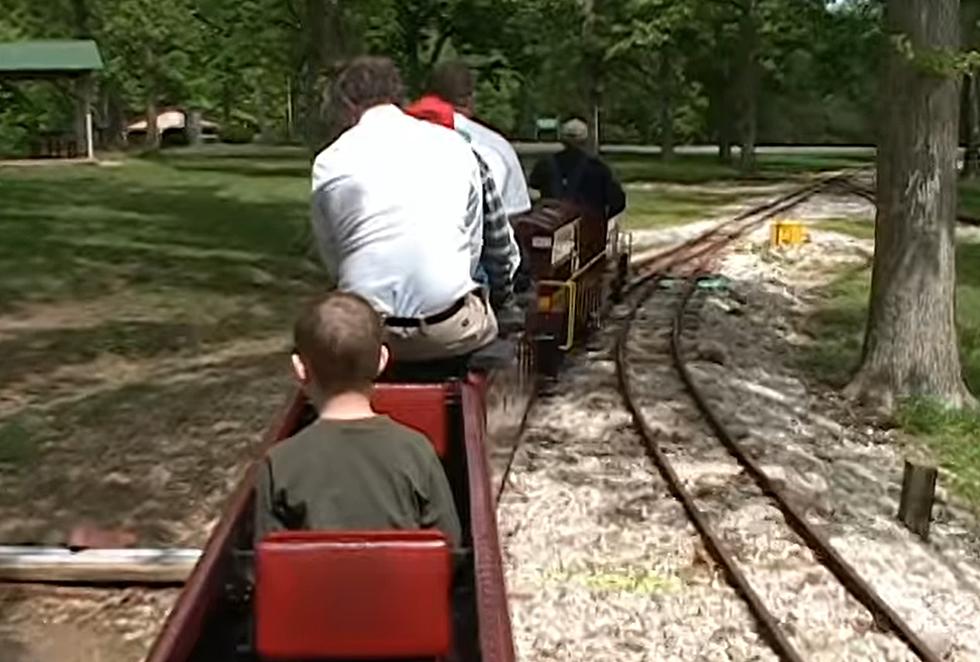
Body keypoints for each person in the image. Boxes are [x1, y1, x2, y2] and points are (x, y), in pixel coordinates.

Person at [310, 56, 498, 362]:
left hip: (365, 334)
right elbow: (472, 245)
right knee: (484, 309)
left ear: (348, 105)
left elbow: (334, 257)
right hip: (448, 329)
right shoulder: (454, 146)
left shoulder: (328, 161)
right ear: (399, 97)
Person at [253, 291, 462, 548]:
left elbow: (267, 560)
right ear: (382, 361)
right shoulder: (417, 450)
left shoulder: (279, 463)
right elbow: (449, 546)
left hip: (315, 588)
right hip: (404, 587)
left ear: (300, 369)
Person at [403, 95, 521, 326]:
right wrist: (503, 297)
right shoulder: (471, 161)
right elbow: (498, 242)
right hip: (454, 303)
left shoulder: (383, 166)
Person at [425, 61, 532, 278]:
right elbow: (513, 219)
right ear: (470, 99)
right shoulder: (496, 148)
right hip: (471, 275)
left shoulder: (396, 141)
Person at [528, 118, 626, 221]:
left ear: (563, 140)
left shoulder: (545, 165)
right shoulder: (599, 168)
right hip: (589, 228)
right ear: (585, 139)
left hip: (552, 225)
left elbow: (531, 193)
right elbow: (618, 202)